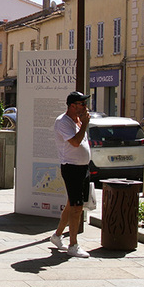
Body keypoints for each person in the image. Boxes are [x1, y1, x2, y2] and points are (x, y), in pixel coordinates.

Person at [49, 91, 92, 258]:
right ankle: (73, 245)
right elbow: (75, 142)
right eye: (82, 104)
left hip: (82, 167)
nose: (85, 106)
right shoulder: (63, 122)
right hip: (72, 167)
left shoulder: (78, 121)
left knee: (71, 204)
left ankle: (57, 236)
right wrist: (85, 124)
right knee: (77, 207)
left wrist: (83, 123)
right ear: (72, 106)